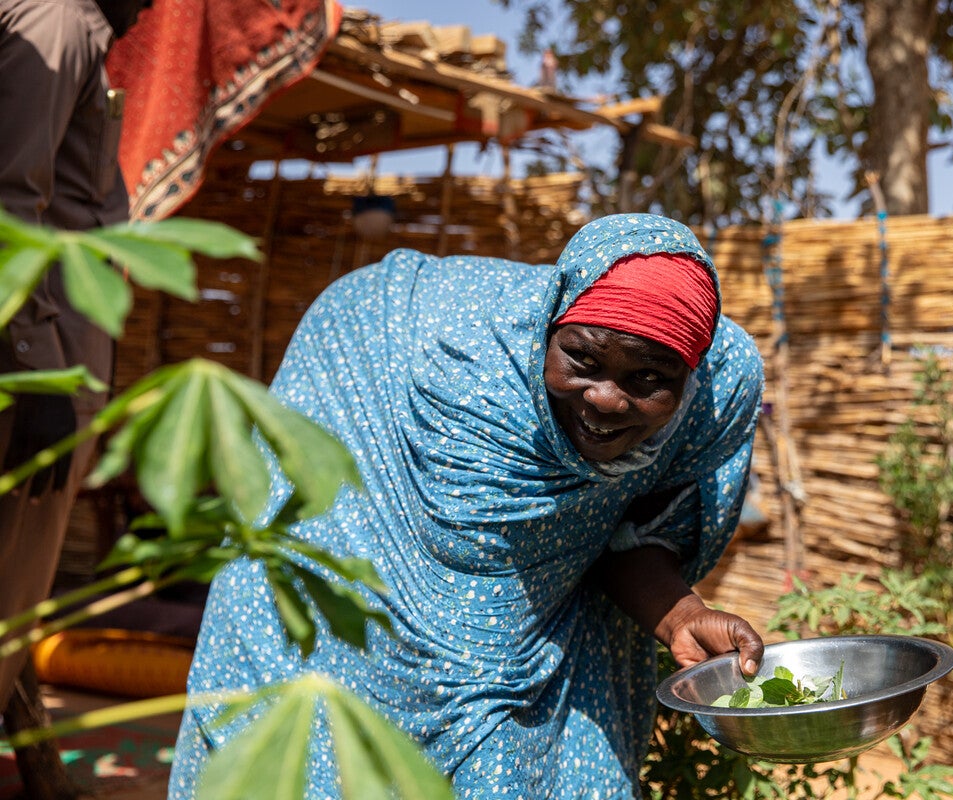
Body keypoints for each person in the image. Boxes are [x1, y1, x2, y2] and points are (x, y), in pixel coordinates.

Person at [169, 213, 766, 798]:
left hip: (533, 629)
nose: (607, 399)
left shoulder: (715, 395)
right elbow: (475, 627)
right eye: (582, 361)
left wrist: (680, 615)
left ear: (690, 376)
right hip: (355, 576)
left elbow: (626, 533)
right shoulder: (467, 380)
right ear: (547, 329)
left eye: (649, 379)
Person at [1, 0, 150, 792]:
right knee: (13, 592)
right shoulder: (58, 21)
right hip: (38, 371)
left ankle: (37, 763)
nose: (154, 6)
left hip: (44, 359)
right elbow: (9, 199)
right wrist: (36, 365)